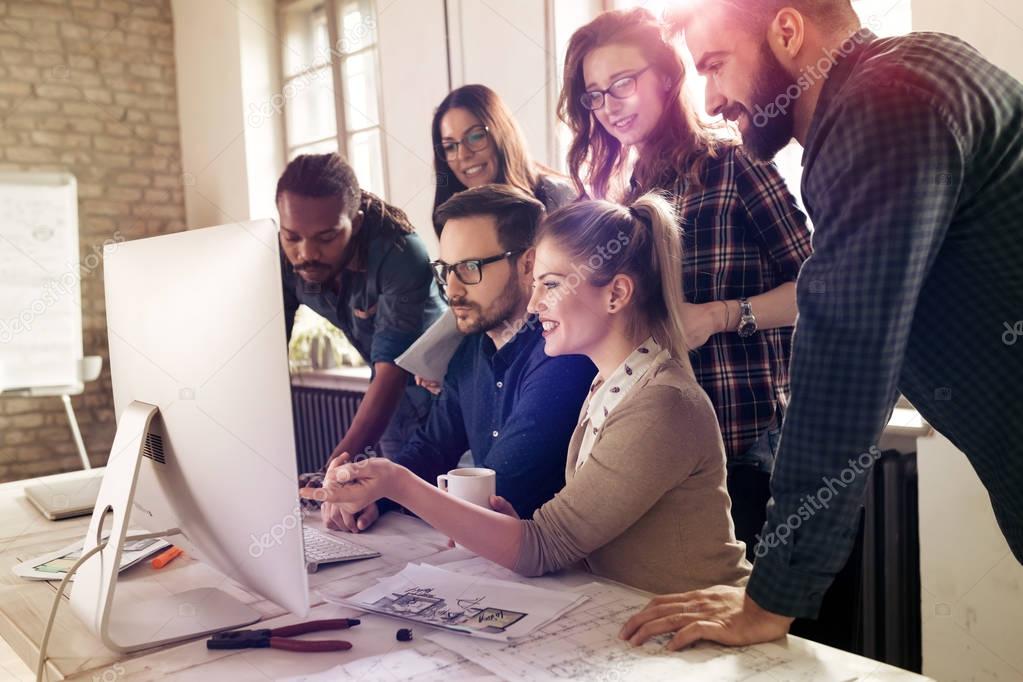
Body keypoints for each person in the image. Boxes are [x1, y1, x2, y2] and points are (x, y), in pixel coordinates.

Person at [620, 0, 1023, 651]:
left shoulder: (883, 104)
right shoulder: (911, 75)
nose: (713, 98)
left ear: (786, 30)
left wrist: (770, 596)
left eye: (716, 66)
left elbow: (845, 355)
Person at [303, 193, 751, 594]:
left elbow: (543, 547)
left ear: (616, 294)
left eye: (551, 285)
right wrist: (506, 524)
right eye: (536, 284)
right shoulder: (609, 386)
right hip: (631, 618)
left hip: (708, 637)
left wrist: (397, 483)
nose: (534, 304)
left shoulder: (661, 403)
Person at [559, 8, 813, 557]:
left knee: (745, 630)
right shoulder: (623, 196)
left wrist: (722, 315)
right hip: (654, 447)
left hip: (746, 447)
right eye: (595, 95)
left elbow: (820, 286)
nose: (608, 107)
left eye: (622, 83)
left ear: (669, 77)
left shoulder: (734, 162)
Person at [318, 184, 596, 533]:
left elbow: (500, 490)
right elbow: (432, 448)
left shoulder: (562, 355)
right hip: (482, 562)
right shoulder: (469, 350)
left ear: (528, 265)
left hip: (556, 573)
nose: (452, 289)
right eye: (446, 270)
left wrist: (390, 485)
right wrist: (370, 495)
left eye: (468, 268)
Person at [278, 153, 444, 471]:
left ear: (355, 224)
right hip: (394, 412)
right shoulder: (287, 261)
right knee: (396, 510)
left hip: (449, 398)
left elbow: (392, 371)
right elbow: (267, 362)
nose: (306, 253)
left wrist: (335, 467)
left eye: (326, 237)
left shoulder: (399, 253)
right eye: (292, 237)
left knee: (458, 507)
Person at [431, 84, 575, 237]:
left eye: (476, 136)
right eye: (450, 146)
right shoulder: (455, 221)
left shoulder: (560, 198)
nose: (463, 154)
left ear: (501, 133)